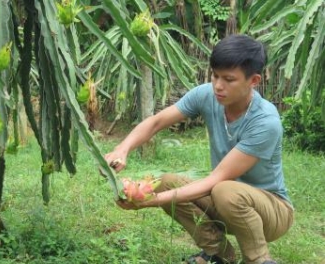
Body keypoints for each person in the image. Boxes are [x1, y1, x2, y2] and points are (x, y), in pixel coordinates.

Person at [104, 35, 294, 264]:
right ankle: (219, 255)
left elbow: (215, 180)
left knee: (225, 190)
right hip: (224, 198)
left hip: (272, 211)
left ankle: (259, 260)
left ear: (253, 81)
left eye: (229, 79)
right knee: (167, 182)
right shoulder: (207, 94)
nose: (218, 86)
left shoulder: (265, 122)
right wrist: (122, 149)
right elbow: (156, 122)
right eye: (215, 75)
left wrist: (150, 200)